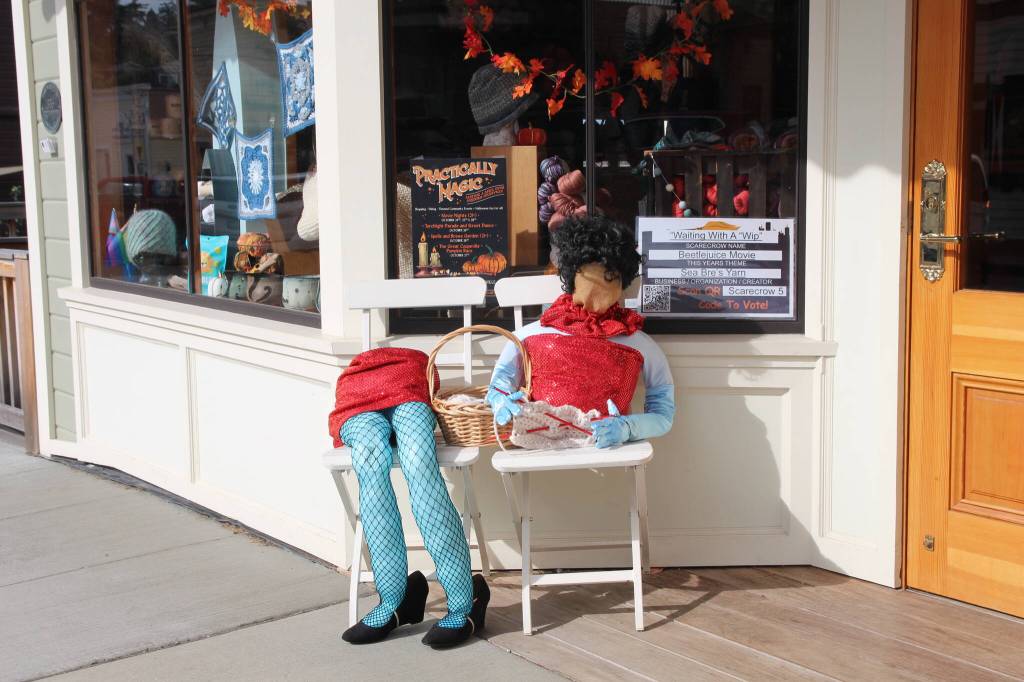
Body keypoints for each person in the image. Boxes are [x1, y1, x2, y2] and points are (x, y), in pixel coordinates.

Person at [328, 348, 489, 649]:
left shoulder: (412, 363)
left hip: (408, 384)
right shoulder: (359, 375)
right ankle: (394, 600)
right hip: (358, 398)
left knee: (419, 460)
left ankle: (465, 602)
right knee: (370, 458)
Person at [487, 215, 675, 448]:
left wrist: (627, 428)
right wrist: (500, 400)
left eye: (609, 278)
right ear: (572, 275)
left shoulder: (638, 343)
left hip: (608, 448)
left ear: (622, 282)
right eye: (590, 274)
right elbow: (499, 383)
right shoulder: (528, 336)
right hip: (538, 443)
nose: (598, 288)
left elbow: (663, 414)